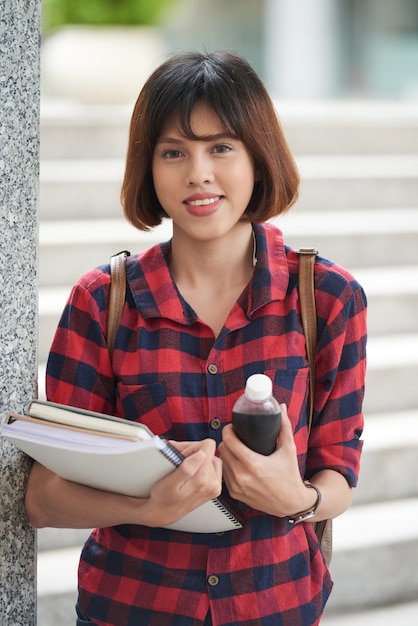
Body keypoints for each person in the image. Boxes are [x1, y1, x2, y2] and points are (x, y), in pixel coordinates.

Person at [25, 51, 367, 626]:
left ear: (259, 155)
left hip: (276, 603)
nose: (198, 173)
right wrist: (151, 506)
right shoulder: (102, 303)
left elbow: (338, 472)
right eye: (173, 152)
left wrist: (296, 500)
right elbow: (42, 496)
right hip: (132, 605)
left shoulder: (327, 298)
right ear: (148, 166)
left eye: (222, 147)